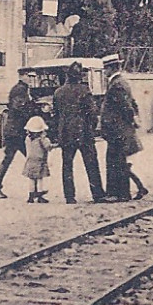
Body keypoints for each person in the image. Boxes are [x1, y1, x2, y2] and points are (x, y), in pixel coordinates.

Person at [52, 65, 105, 203]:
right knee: (91, 163)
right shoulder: (84, 90)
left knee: (67, 165)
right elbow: (92, 112)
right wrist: (92, 128)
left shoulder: (58, 92)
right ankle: (97, 194)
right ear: (79, 76)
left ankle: (69, 197)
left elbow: (56, 115)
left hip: (65, 133)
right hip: (84, 132)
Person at [100, 63, 146, 200]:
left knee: (116, 161)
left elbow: (126, 106)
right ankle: (132, 189)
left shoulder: (117, 84)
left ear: (112, 68)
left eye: (106, 69)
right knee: (119, 161)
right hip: (120, 129)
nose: (104, 72)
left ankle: (120, 194)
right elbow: (132, 103)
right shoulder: (120, 82)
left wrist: (129, 120)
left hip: (117, 130)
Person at [0, 66, 35, 194]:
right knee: (33, 158)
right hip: (17, 131)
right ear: (22, 76)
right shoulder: (20, 90)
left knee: (11, 158)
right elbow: (19, 108)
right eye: (29, 76)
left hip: (15, 130)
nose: (31, 79)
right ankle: (35, 191)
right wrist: (33, 112)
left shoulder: (22, 89)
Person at [22, 116, 54, 203]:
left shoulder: (28, 139)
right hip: (40, 161)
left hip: (30, 160)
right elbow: (48, 147)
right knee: (39, 178)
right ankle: (40, 195)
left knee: (31, 178)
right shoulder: (42, 139)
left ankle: (31, 195)